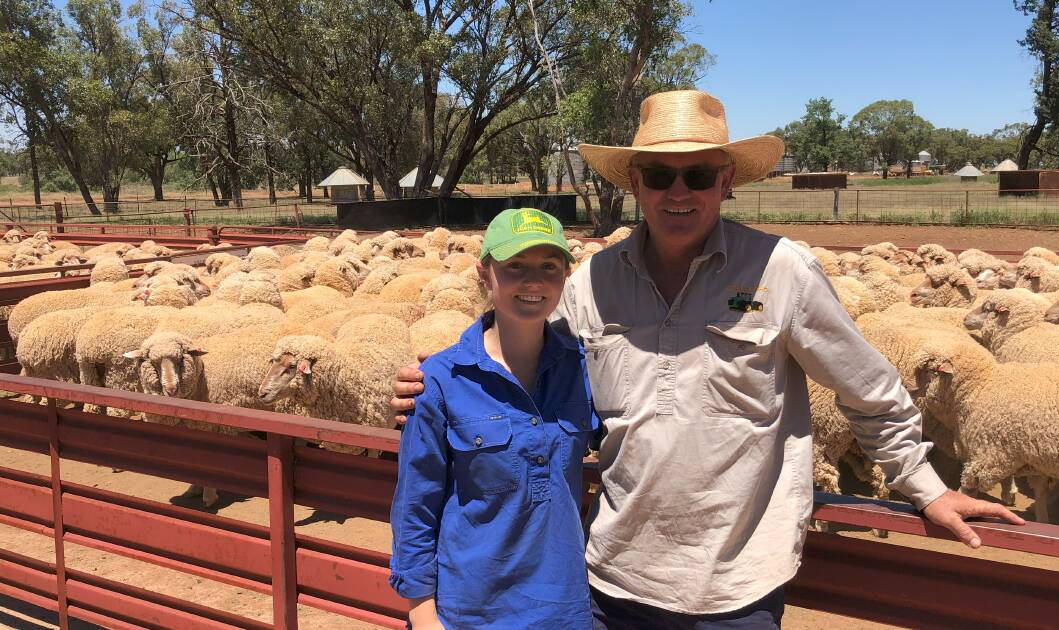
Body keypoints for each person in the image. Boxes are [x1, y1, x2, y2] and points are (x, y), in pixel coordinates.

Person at [392, 91, 1023, 629]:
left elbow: (867, 387)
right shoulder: (595, 282)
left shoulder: (780, 272)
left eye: (698, 175)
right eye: (661, 174)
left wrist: (925, 486)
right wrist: (438, 382)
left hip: (738, 582)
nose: (678, 191)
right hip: (614, 576)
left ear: (726, 181)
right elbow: (518, 351)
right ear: (634, 182)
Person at [389, 208, 598, 630]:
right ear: (485, 273)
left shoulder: (583, 369)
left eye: (548, 266)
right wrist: (423, 615)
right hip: (469, 610)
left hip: (563, 608)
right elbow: (415, 507)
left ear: (564, 277)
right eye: (514, 266)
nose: (533, 280)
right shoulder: (440, 381)